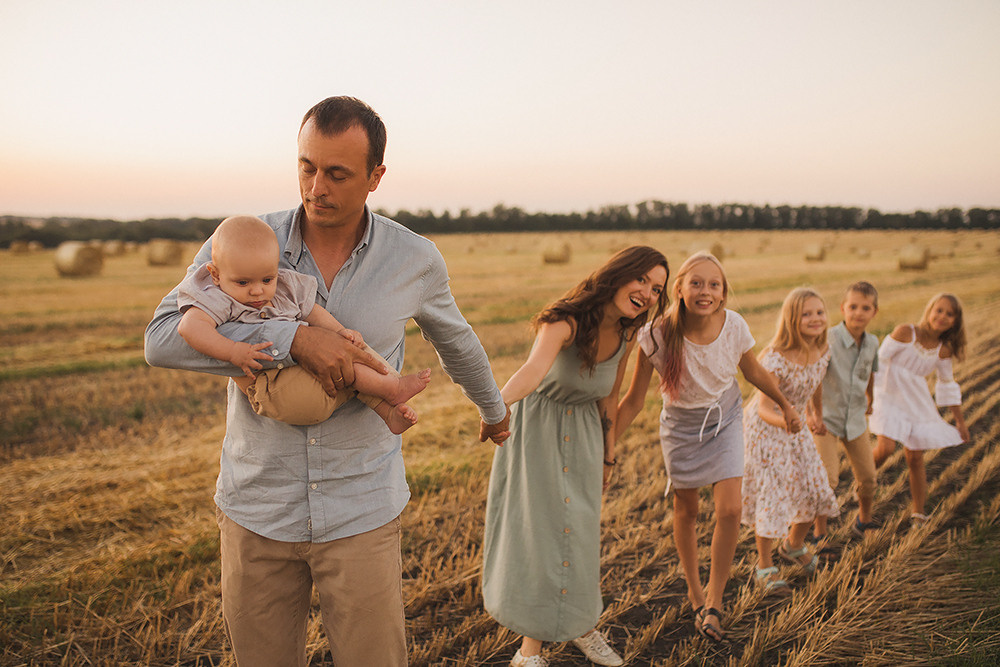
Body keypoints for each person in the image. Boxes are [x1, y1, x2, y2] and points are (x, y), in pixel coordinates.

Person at [145, 96, 511, 666]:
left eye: (337, 173)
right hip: (257, 508)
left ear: (375, 177)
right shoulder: (240, 242)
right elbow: (161, 338)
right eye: (306, 166)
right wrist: (293, 340)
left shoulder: (414, 257)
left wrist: (493, 408)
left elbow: (455, 339)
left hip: (361, 509)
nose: (316, 187)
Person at [482, 246, 669, 667]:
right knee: (542, 536)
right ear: (619, 275)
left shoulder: (626, 334)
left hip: (585, 435)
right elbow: (532, 370)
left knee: (580, 536)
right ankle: (529, 652)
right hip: (539, 433)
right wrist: (495, 408)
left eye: (657, 289)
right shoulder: (563, 319)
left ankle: (583, 626)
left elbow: (610, 398)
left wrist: (608, 455)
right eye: (642, 280)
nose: (647, 293)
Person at [616, 252, 800, 642]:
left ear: (723, 292)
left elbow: (752, 371)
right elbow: (633, 401)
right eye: (696, 283)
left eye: (714, 284)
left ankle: (714, 600)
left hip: (726, 417)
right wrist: (606, 444)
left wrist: (785, 404)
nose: (705, 291)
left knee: (730, 508)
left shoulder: (733, 325)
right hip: (681, 428)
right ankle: (695, 592)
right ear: (678, 289)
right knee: (687, 509)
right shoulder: (655, 335)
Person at [176, 214, 430, 434]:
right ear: (216, 274)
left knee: (350, 349)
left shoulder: (284, 287)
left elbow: (313, 312)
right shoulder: (216, 296)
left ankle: (388, 410)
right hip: (274, 388)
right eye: (243, 283)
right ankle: (392, 388)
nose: (257, 291)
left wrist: (341, 332)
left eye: (267, 279)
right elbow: (189, 328)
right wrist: (232, 351)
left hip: (306, 373)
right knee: (343, 362)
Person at [741, 288, 839, 593]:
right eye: (806, 314)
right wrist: (789, 420)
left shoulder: (822, 350)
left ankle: (794, 545)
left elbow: (816, 381)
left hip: (795, 425)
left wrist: (815, 413)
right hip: (766, 431)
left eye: (819, 312)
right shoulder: (775, 358)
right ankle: (765, 565)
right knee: (774, 495)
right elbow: (763, 407)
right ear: (791, 320)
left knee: (813, 487)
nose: (815, 319)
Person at [870, 293, 969, 525]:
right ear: (930, 310)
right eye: (939, 310)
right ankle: (863, 483)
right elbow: (878, 361)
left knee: (915, 457)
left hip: (914, 400)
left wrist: (960, 421)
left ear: (955, 321)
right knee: (885, 448)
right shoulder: (906, 332)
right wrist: (870, 395)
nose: (942, 316)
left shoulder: (943, 350)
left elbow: (947, 384)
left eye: (949, 314)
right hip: (887, 394)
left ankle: (918, 512)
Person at [809, 281, 880, 542]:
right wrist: (812, 414)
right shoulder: (828, 339)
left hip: (855, 419)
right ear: (842, 309)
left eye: (865, 308)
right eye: (853, 307)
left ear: (874, 312)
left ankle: (864, 520)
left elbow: (869, 372)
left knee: (869, 479)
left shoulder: (872, 342)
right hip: (826, 419)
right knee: (828, 480)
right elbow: (812, 378)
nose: (858, 313)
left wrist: (870, 398)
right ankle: (820, 532)